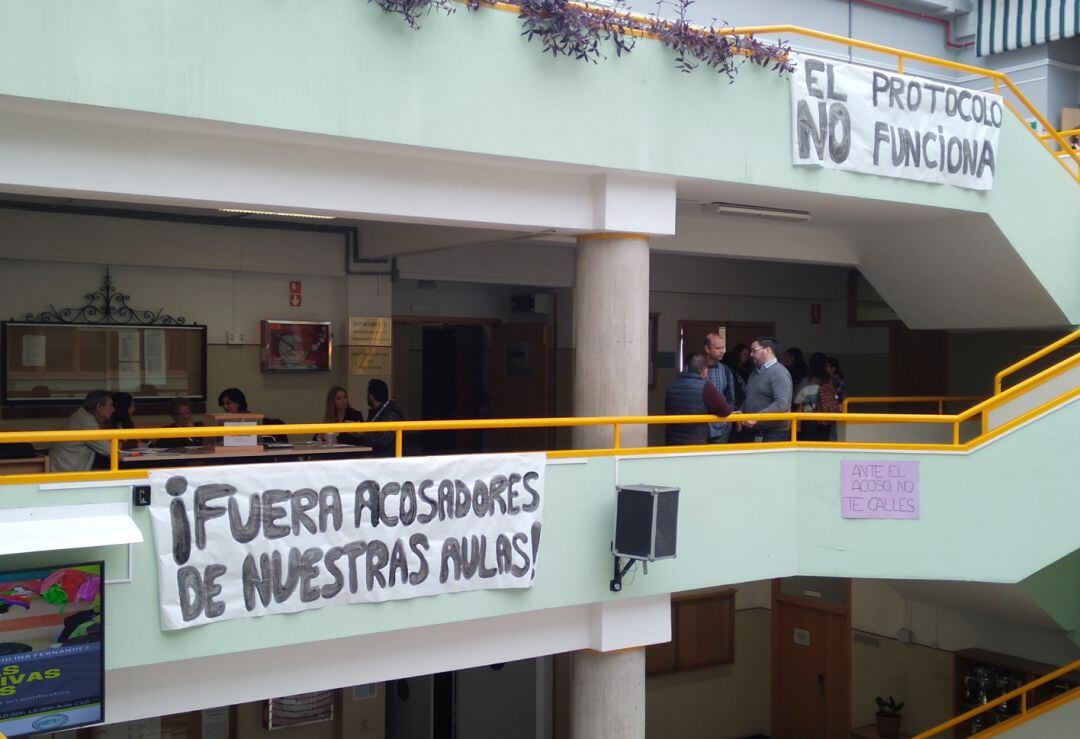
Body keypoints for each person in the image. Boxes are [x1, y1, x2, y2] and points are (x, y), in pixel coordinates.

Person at [664, 353, 735, 446]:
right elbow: (725, 411)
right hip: (695, 441)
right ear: (705, 372)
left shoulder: (672, 386)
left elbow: (668, 409)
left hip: (672, 440)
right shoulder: (706, 386)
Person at [740, 337, 793, 443]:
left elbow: (782, 404)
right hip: (755, 430)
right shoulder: (755, 372)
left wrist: (756, 417)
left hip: (774, 433)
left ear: (767, 350)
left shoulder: (779, 373)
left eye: (754, 350)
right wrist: (742, 411)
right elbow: (752, 396)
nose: (751, 354)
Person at [49, 390, 114, 472]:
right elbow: (109, 450)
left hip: (65, 468)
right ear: (99, 407)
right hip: (66, 474)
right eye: (110, 405)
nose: (113, 409)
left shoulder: (82, 415)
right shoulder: (87, 422)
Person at [357, 379, 404, 457]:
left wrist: (361, 433)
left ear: (371, 396)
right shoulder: (378, 412)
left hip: (388, 460)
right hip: (378, 458)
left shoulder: (391, 413)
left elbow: (382, 440)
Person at [703, 333, 736, 443]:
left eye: (723, 347)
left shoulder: (726, 371)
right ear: (707, 349)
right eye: (718, 348)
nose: (722, 351)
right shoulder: (693, 368)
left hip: (721, 427)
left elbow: (730, 398)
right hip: (699, 427)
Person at [795, 353, 833, 441]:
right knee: (824, 444)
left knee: (809, 445)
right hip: (826, 418)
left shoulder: (807, 381)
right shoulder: (829, 381)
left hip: (809, 418)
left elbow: (796, 400)